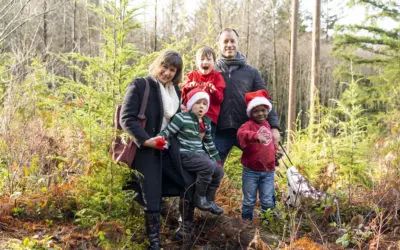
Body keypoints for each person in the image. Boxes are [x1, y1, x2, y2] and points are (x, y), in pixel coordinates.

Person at [120, 50, 195, 249]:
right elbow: (126, 118)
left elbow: (177, 122)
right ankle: (154, 242)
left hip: (169, 148)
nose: (167, 72)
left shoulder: (175, 92)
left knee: (187, 182)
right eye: (165, 67)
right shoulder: (140, 85)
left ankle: (184, 230)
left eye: (172, 70)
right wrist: (146, 141)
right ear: (157, 65)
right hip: (147, 148)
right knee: (151, 195)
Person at [214, 28, 281, 164]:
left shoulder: (251, 72)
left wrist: (274, 127)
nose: (229, 45)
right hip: (219, 132)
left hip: (249, 130)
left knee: (263, 164)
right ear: (219, 45)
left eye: (232, 41)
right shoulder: (212, 71)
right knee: (212, 172)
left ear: (238, 43)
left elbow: (265, 99)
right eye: (225, 41)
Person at [158, 87, 224, 215]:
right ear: (190, 104)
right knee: (208, 167)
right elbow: (168, 131)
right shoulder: (181, 118)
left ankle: (210, 200)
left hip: (200, 154)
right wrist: (159, 139)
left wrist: (217, 159)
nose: (201, 107)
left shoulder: (206, 123)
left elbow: (209, 143)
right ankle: (199, 198)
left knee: (218, 171)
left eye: (205, 104)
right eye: (197, 103)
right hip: (186, 154)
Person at [237, 90, 277, 221]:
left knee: (267, 201)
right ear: (251, 113)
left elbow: (269, 144)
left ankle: (267, 224)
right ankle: (246, 224)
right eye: (256, 111)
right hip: (251, 172)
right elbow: (241, 135)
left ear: (267, 111)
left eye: (263, 110)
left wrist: (276, 153)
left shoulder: (267, 125)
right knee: (249, 201)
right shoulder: (247, 125)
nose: (260, 113)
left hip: (268, 171)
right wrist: (255, 136)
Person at [181, 46, 226, 137]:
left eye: (209, 59)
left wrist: (214, 91)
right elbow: (183, 96)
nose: (205, 62)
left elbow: (220, 99)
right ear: (197, 63)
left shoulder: (217, 77)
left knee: (207, 144)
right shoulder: (192, 75)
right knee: (190, 141)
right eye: (202, 59)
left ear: (214, 63)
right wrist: (188, 87)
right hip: (191, 117)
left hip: (209, 118)